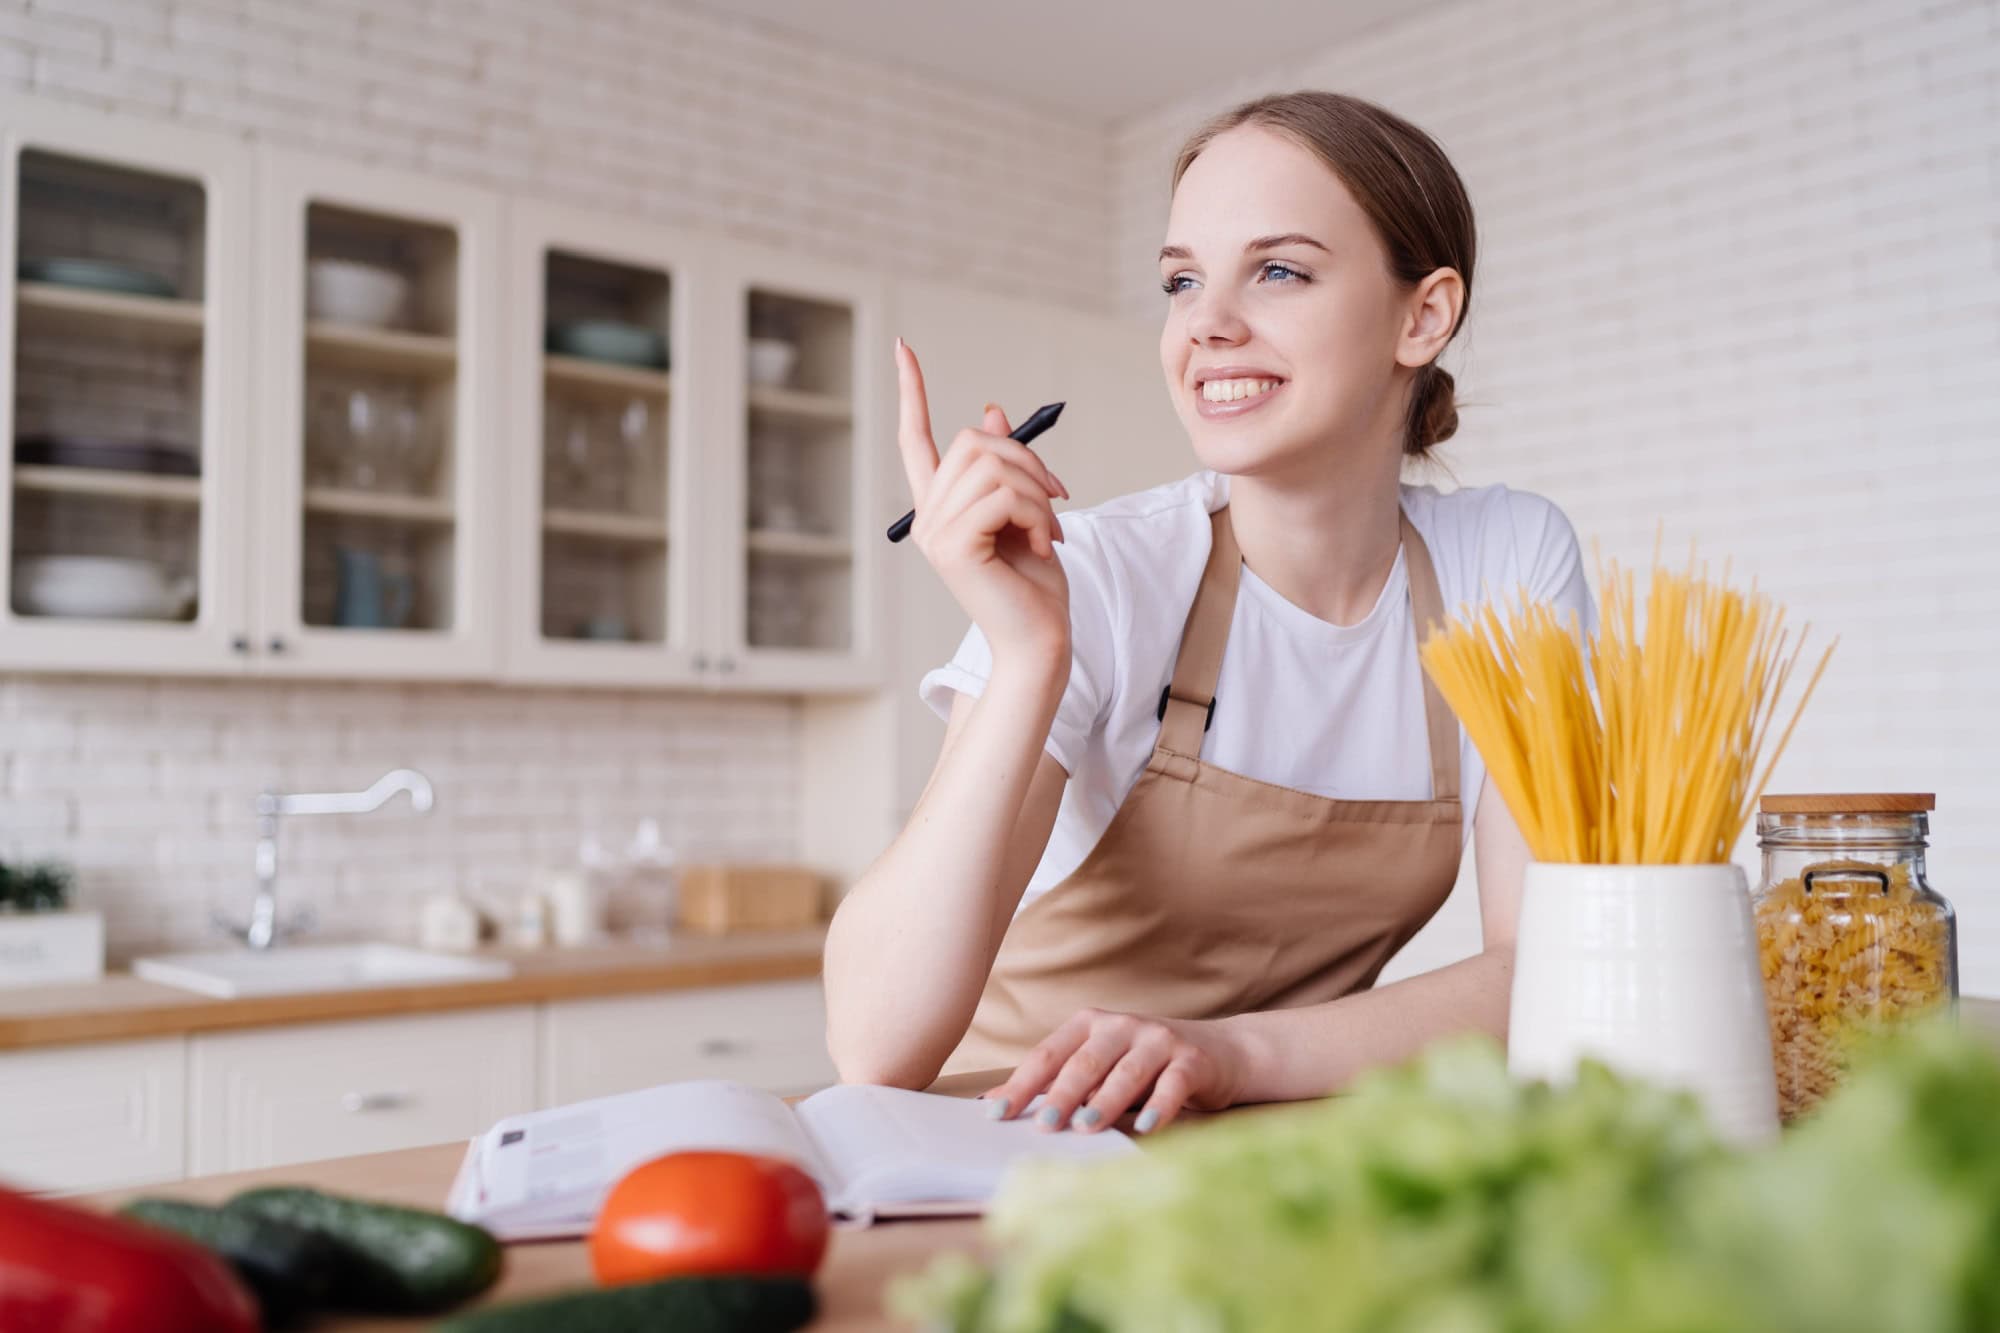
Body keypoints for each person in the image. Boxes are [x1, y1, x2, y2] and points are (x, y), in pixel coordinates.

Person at [823, 90, 1594, 1135]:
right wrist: (1024, 652)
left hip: (1265, 1142)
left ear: (1423, 314)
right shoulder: (1100, 571)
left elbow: (1544, 971)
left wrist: (1229, 1054)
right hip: (1001, 1148)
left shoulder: (1502, 562)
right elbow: (872, 1043)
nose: (1205, 325)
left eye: (1276, 270)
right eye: (1180, 281)